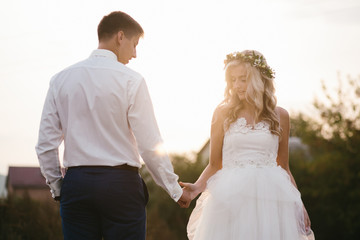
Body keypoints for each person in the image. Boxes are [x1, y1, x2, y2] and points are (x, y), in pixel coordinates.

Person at [35, 11, 190, 240]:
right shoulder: (132, 80)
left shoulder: (61, 80)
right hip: (121, 186)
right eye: (134, 44)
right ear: (120, 37)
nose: (135, 54)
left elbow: (46, 144)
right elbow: (149, 144)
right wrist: (175, 190)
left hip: (76, 186)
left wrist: (59, 188)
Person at [180, 50, 314, 240]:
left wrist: (298, 203)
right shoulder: (222, 113)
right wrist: (195, 188)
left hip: (271, 199)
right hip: (230, 198)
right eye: (232, 80)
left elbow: (283, 167)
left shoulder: (280, 116)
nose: (236, 86)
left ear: (259, 79)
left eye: (243, 79)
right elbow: (214, 164)